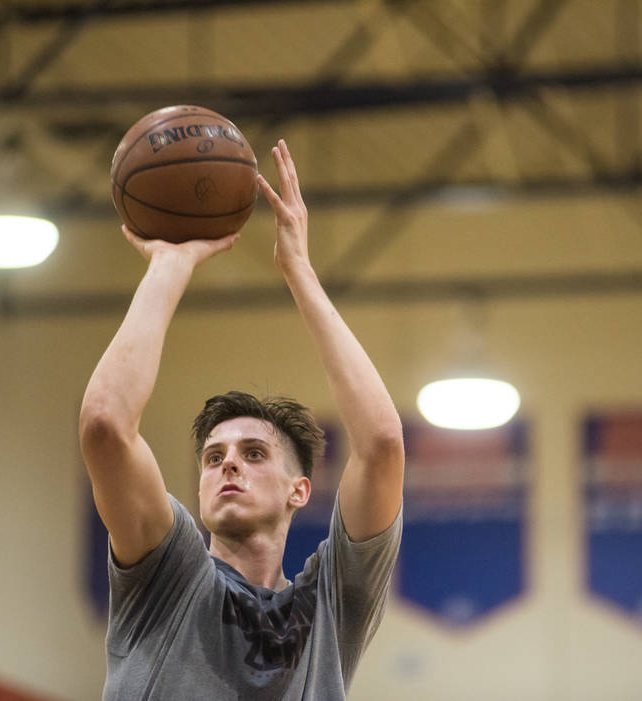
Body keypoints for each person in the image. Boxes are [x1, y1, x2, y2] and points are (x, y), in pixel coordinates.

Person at [79, 139, 405, 700]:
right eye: (213, 457)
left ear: (299, 490)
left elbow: (381, 445)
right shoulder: (169, 576)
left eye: (253, 453)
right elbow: (106, 425)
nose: (228, 463)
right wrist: (171, 263)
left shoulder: (330, 605)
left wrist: (299, 270)